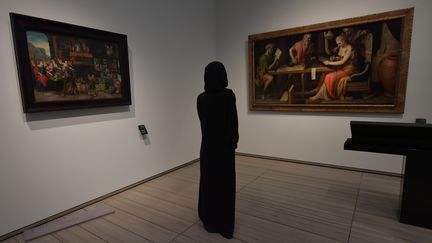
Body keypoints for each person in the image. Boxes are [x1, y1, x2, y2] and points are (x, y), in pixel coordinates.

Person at [197, 61, 239, 239]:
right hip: (224, 149)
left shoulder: (200, 98)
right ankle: (224, 224)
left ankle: (209, 218)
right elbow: (232, 124)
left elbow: (204, 124)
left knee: (209, 182)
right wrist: (233, 142)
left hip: (207, 147)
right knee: (225, 185)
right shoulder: (228, 96)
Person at [309, 33, 357, 101]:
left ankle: (322, 95)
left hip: (348, 70)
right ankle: (319, 90)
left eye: (339, 43)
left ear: (344, 41)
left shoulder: (350, 48)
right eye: (337, 43)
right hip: (341, 68)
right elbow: (340, 58)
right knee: (324, 74)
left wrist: (329, 62)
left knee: (329, 76)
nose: (338, 45)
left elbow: (343, 62)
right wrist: (334, 58)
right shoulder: (340, 47)